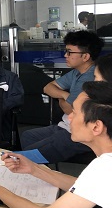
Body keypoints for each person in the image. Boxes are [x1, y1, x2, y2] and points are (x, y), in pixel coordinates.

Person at [20, 30, 105, 163]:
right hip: (65, 125)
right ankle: (40, 169)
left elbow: (68, 109)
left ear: (85, 56)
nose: (65, 55)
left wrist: (60, 96)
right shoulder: (76, 72)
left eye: (70, 52)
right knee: (28, 136)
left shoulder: (90, 77)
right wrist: (65, 94)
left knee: (29, 154)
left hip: (79, 132)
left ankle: (37, 168)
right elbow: (47, 88)